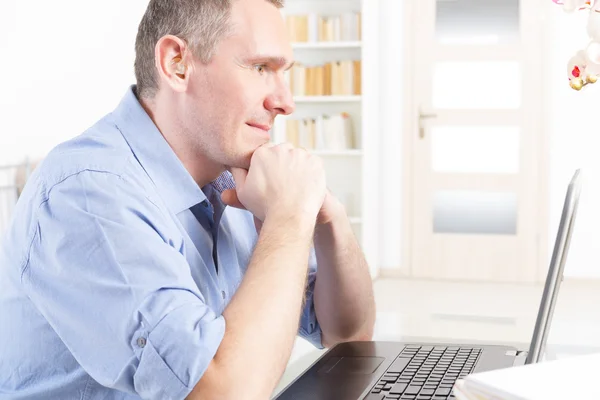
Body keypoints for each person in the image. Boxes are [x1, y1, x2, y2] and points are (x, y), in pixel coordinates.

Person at [0, 0, 376, 399]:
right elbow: (221, 394)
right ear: (177, 63)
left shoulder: (233, 176)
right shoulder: (88, 193)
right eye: (261, 68)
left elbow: (348, 335)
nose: (286, 101)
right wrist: (288, 220)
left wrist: (327, 219)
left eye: (285, 73)